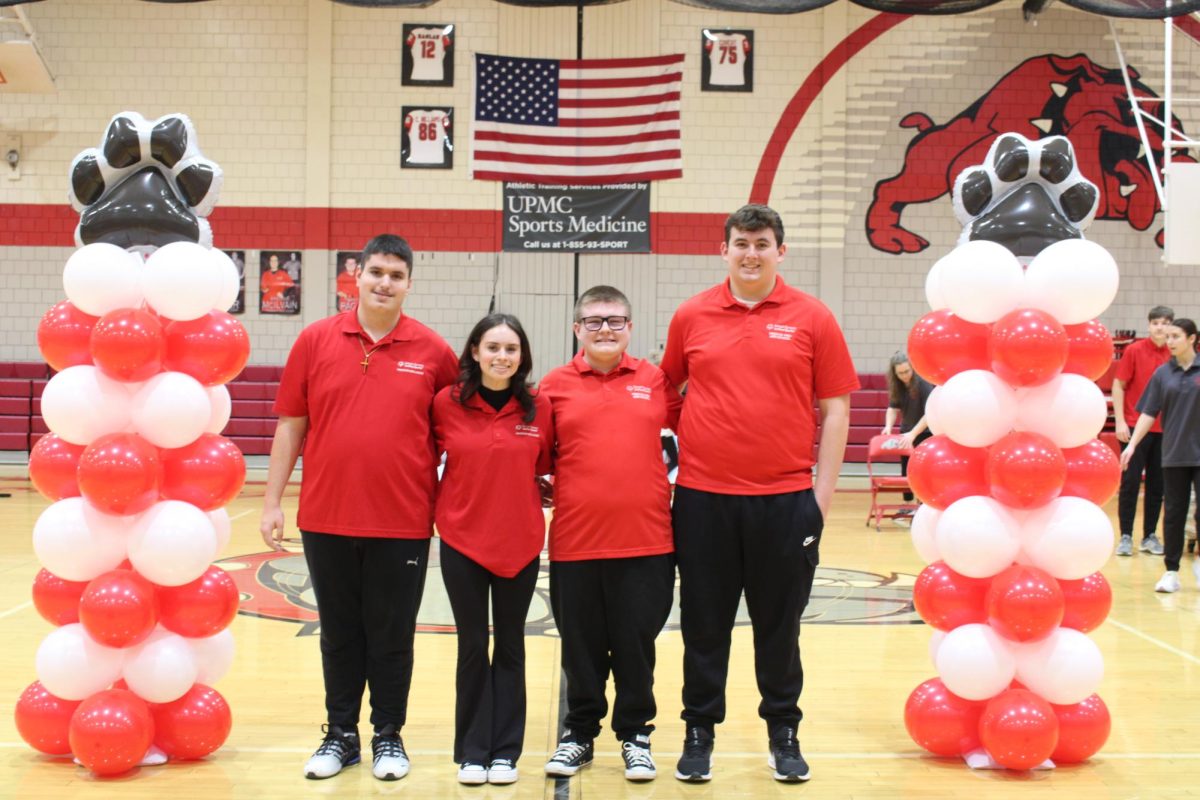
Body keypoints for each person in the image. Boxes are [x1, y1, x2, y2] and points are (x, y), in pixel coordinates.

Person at [660, 204, 858, 784]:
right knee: (703, 624)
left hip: (785, 501)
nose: (751, 253)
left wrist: (820, 497)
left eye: (762, 243)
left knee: (780, 626)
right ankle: (700, 731)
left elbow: (837, 409)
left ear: (781, 251)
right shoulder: (692, 314)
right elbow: (665, 389)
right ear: (723, 250)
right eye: (741, 243)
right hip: (702, 500)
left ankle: (783, 732)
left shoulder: (812, 316)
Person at [259, 234, 458, 782]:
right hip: (326, 517)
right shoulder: (315, 340)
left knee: (392, 635)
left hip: (403, 522)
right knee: (340, 632)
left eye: (396, 275)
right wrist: (272, 501)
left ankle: (388, 735)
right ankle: (341, 735)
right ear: (357, 276)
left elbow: (459, 436)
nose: (384, 283)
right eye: (375, 272)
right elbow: (291, 426)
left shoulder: (434, 352)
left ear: (409, 284)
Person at [539, 286, 682, 782]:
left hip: (647, 541)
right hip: (575, 543)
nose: (605, 329)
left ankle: (636, 736)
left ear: (630, 328)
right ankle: (579, 734)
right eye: (594, 321)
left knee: (635, 646)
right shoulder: (553, 387)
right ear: (577, 328)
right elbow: (535, 458)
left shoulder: (655, 381)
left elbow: (699, 430)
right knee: (580, 647)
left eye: (615, 321)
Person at [432, 313, 554, 786]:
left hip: (519, 543)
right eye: (493, 348)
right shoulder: (445, 403)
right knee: (470, 646)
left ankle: (505, 752)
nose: (502, 357)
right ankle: (472, 752)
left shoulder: (539, 407)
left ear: (522, 357)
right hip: (462, 540)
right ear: (475, 352)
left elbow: (544, 466)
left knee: (510, 646)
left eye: (511, 349)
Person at [1121, 317, 1200, 594]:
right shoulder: (1163, 374)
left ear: (1192, 338)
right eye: (1168, 337)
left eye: (1176, 336)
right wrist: (1131, 445)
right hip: (1175, 453)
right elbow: (1149, 411)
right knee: (1174, 514)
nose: (1170, 342)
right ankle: (1171, 572)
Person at [1113, 306, 1174, 557]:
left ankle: (1149, 536)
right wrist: (1119, 421)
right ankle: (1126, 535)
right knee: (1129, 483)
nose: (1160, 327)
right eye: (1155, 322)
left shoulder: (1175, 354)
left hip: (1165, 430)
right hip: (1134, 427)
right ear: (1149, 325)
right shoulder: (1134, 350)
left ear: (1171, 326)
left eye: (1165, 323)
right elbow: (1119, 385)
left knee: (1158, 486)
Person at [882, 351, 933, 505]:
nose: (904, 375)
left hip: (924, 433)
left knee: (922, 472)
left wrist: (913, 434)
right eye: (900, 373)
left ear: (912, 368)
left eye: (906, 371)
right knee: (907, 471)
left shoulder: (922, 383)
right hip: (906, 433)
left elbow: (930, 413)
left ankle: (923, 505)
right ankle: (907, 507)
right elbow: (892, 408)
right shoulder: (897, 386)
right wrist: (888, 427)